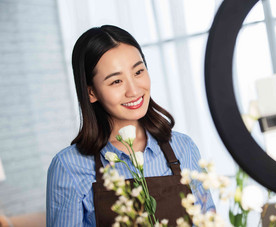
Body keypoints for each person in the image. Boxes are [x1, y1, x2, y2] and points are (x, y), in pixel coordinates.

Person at [46, 25, 215, 227]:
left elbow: (209, 221)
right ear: (91, 92)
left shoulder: (183, 147)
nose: (134, 90)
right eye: (116, 81)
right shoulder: (68, 166)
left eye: (138, 71)